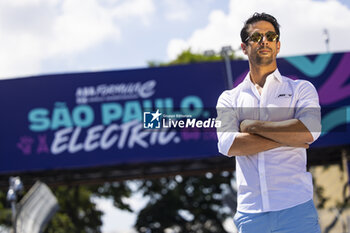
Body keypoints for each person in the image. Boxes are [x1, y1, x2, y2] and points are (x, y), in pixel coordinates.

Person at [216, 13, 322, 233]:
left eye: (270, 35)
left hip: (297, 210)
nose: (264, 40)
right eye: (256, 37)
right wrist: (289, 137)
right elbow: (229, 145)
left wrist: (251, 127)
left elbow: (309, 131)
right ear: (244, 48)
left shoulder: (301, 89)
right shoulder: (229, 98)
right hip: (251, 215)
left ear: (278, 45)